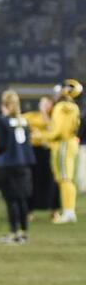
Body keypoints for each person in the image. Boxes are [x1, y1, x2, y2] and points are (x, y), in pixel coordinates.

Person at [0, 90, 36, 243]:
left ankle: (14, 232)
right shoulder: (24, 121)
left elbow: (1, 144)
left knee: (11, 200)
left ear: (4, 104)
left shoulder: (2, 121)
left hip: (8, 163)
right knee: (22, 199)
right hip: (24, 164)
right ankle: (24, 232)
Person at [48, 78, 81, 224]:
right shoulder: (73, 106)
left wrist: (41, 136)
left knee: (65, 179)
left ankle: (69, 211)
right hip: (71, 142)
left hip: (64, 144)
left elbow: (57, 131)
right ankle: (69, 210)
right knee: (66, 179)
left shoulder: (62, 106)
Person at [24, 95, 60, 214]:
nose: (43, 106)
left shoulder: (55, 117)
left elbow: (53, 129)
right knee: (33, 179)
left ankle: (53, 210)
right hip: (34, 151)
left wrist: (45, 113)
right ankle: (31, 210)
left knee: (51, 180)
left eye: (47, 103)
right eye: (42, 103)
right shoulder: (32, 116)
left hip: (49, 151)